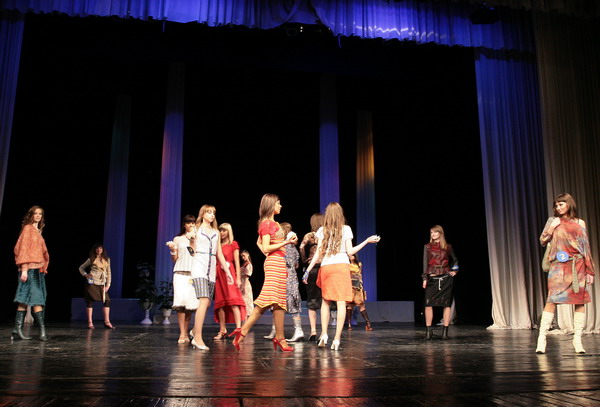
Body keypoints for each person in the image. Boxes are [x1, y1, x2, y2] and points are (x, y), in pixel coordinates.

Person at [305, 202, 380, 350]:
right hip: (341, 267)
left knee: (325, 301)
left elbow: (318, 253)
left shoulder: (322, 230)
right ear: (340, 214)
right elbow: (350, 252)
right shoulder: (346, 229)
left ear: (327, 214)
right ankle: (336, 340)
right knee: (341, 303)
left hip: (326, 267)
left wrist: (308, 270)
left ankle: (324, 334)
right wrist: (367, 241)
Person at [230, 193, 298, 352]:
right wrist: (286, 242)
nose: (280, 206)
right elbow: (266, 247)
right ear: (271, 205)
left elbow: (258, 243)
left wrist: (281, 246)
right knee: (267, 300)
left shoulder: (274, 223)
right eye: (278, 203)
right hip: (274, 263)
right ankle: (243, 331)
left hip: (278, 262)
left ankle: (279, 338)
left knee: (279, 302)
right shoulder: (267, 224)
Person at [536, 193, 595, 354]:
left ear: (569, 204)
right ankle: (542, 339)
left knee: (580, 301)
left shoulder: (580, 222)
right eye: (556, 205)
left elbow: (585, 247)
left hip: (577, 265)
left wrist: (590, 270)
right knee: (552, 300)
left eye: (561, 204)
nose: (558, 207)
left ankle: (577, 340)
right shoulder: (553, 221)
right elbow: (543, 240)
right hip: (559, 267)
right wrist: (552, 227)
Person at [189, 205, 234, 350]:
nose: (212, 215)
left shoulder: (216, 232)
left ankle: (194, 330)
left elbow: (219, 253)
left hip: (211, 269)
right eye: (209, 212)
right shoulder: (196, 229)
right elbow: (191, 251)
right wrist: (191, 241)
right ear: (202, 214)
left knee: (207, 303)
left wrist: (228, 272)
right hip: (199, 266)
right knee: (203, 300)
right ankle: (197, 338)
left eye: (213, 213)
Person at [12, 206, 50, 341]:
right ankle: (42, 331)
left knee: (25, 299)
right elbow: (22, 249)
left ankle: (17, 329)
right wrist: (24, 269)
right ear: (31, 215)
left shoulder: (38, 231)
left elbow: (41, 251)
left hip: (37, 270)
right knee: (36, 299)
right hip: (29, 269)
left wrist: (43, 265)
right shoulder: (28, 228)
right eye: (35, 213)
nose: (38, 215)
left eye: (40, 214)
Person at [166, 214, 199, 344]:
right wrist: (172, 250)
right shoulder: (177, 239)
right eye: (189, 222)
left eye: (193, 223)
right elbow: (175, 259)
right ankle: (182, 333)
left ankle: (186, 331)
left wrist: (192, 240)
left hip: (192, 274)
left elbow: (193, 254)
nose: (191, 225)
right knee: (180, 304)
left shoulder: (196, 238)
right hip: (179, 273)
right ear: (184, 225)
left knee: (189, 305)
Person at [422, 225, 458, 340]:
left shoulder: (447, 246)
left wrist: (454, 271)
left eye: (435, 232)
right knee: (428, 304)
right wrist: (424, 278)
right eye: (431, 232)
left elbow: (455, 260)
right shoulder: (427, 247)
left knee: (446, 304)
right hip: (432, 278)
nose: (433, 234)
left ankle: (445, 332)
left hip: (446, 278)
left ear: (440, 233)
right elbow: (425, 264)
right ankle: (428, 332)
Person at [212, 222, 246, 340]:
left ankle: (238, 329)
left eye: (224, 230)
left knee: (233, 301)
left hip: (229, 274)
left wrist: (238, 278)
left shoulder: (233, 244)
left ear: (228, 232)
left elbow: (237, 262)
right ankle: (222, 330)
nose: (222, 233)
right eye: (220, 230)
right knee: (220, 303)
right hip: (218, 274)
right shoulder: (217, 245)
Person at [78, 243, 115, 329]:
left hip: (102, 283)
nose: (99, 250)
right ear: (94, 250)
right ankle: (90, 322)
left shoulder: (107, 259)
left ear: (103, 250)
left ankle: (107, 322)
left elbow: (109, 272)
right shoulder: (91, 259)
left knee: (107, 300)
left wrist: (108, 285)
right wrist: (86, 275)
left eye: (100, 248)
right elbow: (81, 268)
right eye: (97, 248)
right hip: (92, 282)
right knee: (90, 301)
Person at [300, 213, 324, 341]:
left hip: (312, 268)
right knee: (325, 300)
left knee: (312, 301)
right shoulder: (326, 235)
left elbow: (301, 247)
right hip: (324, 267)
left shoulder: (309, 236)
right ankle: (324, 332)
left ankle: (313, 331)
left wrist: (305, 260)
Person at [280, 222, 304, 342]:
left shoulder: (285, 247)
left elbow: (289, 262)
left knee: (283, 302)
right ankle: (297, 330)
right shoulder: (292, 247)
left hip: (285, 276)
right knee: (292, 302)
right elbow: (296, 264)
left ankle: (297, 330)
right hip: (292, 276)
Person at [345, 253, 373, 331]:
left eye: (352, 255)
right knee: (350, 305)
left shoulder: (359, 264)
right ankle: (349, 324)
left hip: (358, 286)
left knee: (361, 305)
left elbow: (360, 275)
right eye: (349, 255)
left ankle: (368, 323)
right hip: (350, 286)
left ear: (355, 256)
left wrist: (361, 284)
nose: (351, 257)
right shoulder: (346, 265)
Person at [240, 250, 254, 319]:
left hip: (245, 284)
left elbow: (246, 276)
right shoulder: (244, 264)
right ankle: (244, 321)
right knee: (243, 303)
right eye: (242, 256)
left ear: (247, 255)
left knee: (246, 304)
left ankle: (247, 322)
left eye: (244, 256)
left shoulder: (248, 264)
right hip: (242, 283)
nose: (243, 257)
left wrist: (243, 287)